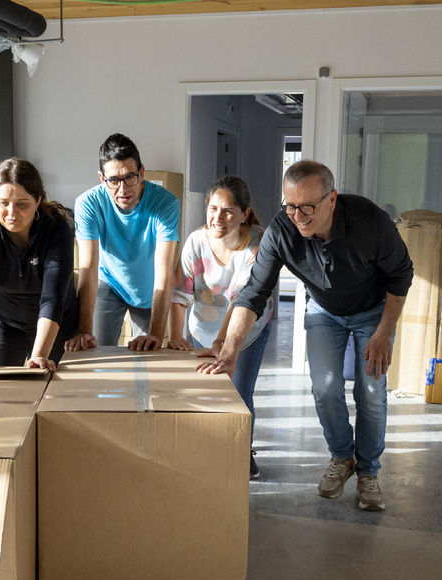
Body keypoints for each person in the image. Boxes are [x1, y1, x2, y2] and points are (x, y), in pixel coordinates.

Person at [197, 160, 413, 511]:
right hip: (325, 311)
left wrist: (385, 332)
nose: (298, 216)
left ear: (332, 199)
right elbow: (254, 291)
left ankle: (369, 473)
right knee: (325, 388)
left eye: (308, 207)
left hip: (373, 311)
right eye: (291, 205)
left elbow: (402, 274)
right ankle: (342, 458)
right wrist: (230, 352)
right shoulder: (281, 231)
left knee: (371, 390)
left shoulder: (370, 222)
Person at [168, 176, 273, 479]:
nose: (218, 218)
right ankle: (208, 445)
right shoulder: (196, 241)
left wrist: (224, 347)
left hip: (246, 331)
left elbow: (241, 302)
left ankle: (243, 449)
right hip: (202, 328)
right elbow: (181, 294)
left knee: (238, 391)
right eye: (213, 208)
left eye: (228, 211)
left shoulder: (257, 244)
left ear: (244, 213)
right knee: (202, 391)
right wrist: (176, 338)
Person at [0, 158, 79, 371]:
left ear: (38, 200)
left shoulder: (56, 228)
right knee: (0, 384)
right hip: (0, 318)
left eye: (22, 204)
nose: (11, 213)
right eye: (3, 203)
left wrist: (39, 355)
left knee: (51, 380)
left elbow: (52, 298)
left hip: (54, 319)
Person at [65, 133, 180, 352]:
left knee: (146, 357)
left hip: (149, 289)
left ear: (142, 172)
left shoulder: (166, 204)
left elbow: (164, 272)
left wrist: (155, 334)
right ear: (102, 178)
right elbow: (88, 268)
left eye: (130, 177)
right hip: (109, 283)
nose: (123, 189)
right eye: (114, 180)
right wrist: (83, 331)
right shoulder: (87, 203)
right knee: (97, 352)